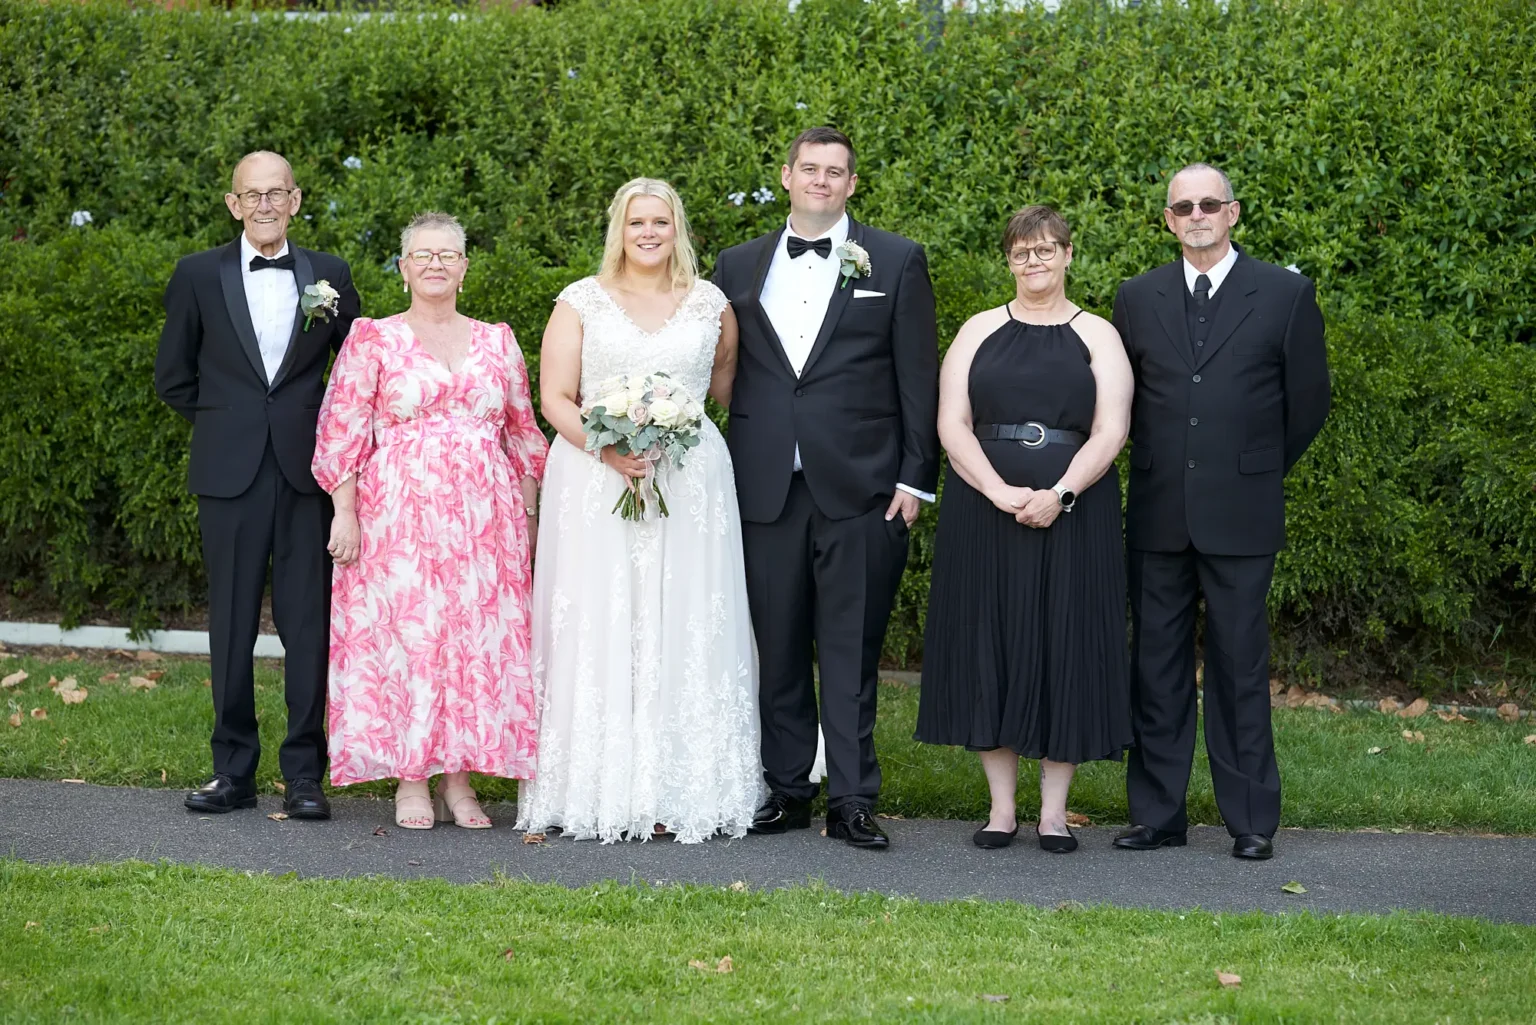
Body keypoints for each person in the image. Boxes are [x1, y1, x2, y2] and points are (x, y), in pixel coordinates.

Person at [712, 127, 941, 849]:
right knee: (776, 644)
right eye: (808, 168)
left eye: (834, 171)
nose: (820, 180)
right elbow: (719, 366)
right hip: (763, 482)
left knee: (851, 648)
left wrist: (915, 477)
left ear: (850, 183)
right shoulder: (736, 265)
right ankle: (788, 789)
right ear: (785, 176)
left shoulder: (897, 259)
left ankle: (852, 797)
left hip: (865, 487)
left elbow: (918, 377)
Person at [515, 178, 761, 844]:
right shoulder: (582, 302)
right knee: (603, 618)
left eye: (659, 220)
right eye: (635, 222)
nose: (648, 232)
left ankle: (678, 788)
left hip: (689, 480)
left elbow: (722, 384)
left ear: (677, 227)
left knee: (683, 618)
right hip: (595, 480)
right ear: (618, 231)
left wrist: (669, 430)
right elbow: (556, 397)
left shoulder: (711, 304)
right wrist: (610, 447)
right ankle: (595, 786)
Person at [1111, 163, 1331, 860]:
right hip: (1157, 511)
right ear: (1169, 220)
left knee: (1239, 667)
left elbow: (1309, 402)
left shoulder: (1286, 293)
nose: (1197, 214)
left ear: (1233, 213)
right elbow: (1123, 400)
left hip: (1242, 510)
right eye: (1184, 206)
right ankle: (1157, 814)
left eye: (1210, 203)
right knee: (1157, 666)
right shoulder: (1136, 297)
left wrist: (1253, 468)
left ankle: (1251, 820)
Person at [311, 212, 547, 829]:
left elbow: (524, 432)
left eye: (448, 254)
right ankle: (411, 777)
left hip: (484, 519)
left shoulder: (498, 340)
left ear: (465, 268)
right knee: (411, 639)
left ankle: (460, 780)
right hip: (399, 516)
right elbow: (342, 431)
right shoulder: (373, 339)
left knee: (473, 643)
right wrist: (346, 513)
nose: (436, 263)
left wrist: (527, 517)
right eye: (423, 254)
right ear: (403, 268)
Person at [915, 205, 1134, 853]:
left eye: (1045, 250)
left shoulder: (1099, 334)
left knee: (1064, 640)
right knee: (991, 641)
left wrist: (1061, 492)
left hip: (1077, 512)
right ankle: (1002, 809)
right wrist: (999, 489)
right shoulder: (978, 328)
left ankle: (1055, 813)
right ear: (1007, 260)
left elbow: (1112, 428)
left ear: (1069, 254)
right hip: (984, 509)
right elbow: (951, 423)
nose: (1033, 262)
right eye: (1021, 252)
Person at [155, 151, 360, 819]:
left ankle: (305, 774)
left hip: (309, 476)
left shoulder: (330, 275)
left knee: (308, 627)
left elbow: (356, 378)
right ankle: (232, 769)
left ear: (296, 200)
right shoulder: (196, 276)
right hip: (229, 472)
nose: (266, 204)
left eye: (278, 193)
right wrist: (228, 423)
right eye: (253, 195)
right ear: (233, 204)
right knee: (232, 624)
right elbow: (173, 377)